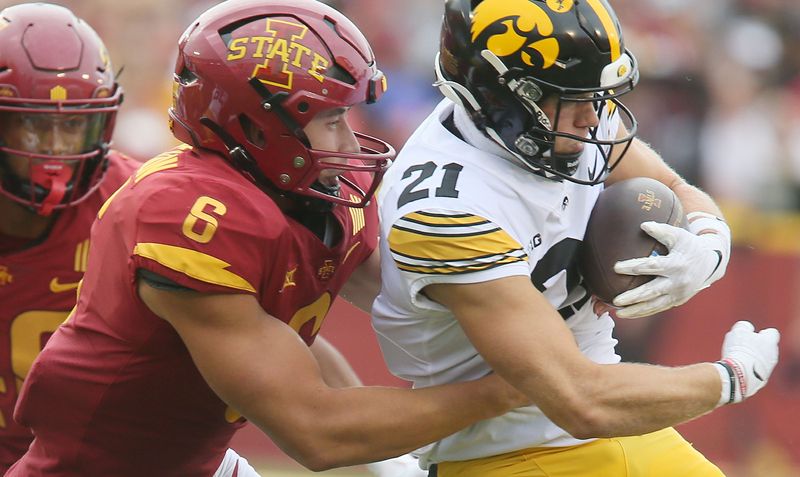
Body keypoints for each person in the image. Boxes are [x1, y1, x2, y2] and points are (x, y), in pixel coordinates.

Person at [7, 1, 529, 476]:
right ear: (257, 127)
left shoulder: (290, 201)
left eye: (346, 116)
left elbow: (410, 297)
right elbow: (316, 431)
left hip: (187, 460)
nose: (350, 141)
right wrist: (520, 387)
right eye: (331, 119)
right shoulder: (187, 216)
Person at [371, 1, 781, 476]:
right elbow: (577, 400)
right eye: (573, 98)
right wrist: (729, 379)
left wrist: (708, 245)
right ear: (504, 98)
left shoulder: (562, 110)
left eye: (595, 96)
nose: (592, 117)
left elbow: (675, 189)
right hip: (509, 451)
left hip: (616, 425)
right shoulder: (446, 207)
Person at [0, 3, 140, 473]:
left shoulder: (136, 202)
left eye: (73, 123)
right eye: (36, 125)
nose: (58, 148)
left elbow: (252, 325)